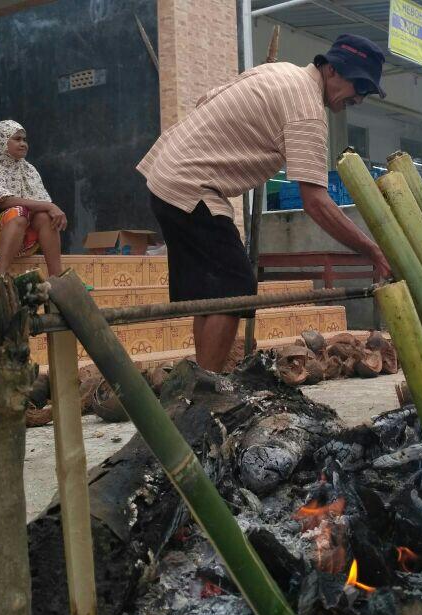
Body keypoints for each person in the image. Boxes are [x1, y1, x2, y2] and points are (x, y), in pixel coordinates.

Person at [137, 33, 392, 372]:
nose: (359, 98)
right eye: (358, 86)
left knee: (214, 295)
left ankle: (200, 381)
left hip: (168, 173)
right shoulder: (306, 108)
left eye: (365, 92)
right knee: (236, 288)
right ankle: (206, 388)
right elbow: (315, 202)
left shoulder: (279, 73)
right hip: (189, 184)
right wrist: (372, 250)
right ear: (332, 70)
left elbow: (206, 99)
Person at [0, 120, 66, 276]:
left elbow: (40, 205)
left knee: (45, 217)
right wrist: (50, 206)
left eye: (24, 140)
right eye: (17, 139)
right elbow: (4, 201)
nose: (23, 144)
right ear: (0, 140)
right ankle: (0, 277)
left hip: (23, 239)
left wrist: (48, 208)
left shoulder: (28, 169)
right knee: (18, 213)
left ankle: (57, 277)